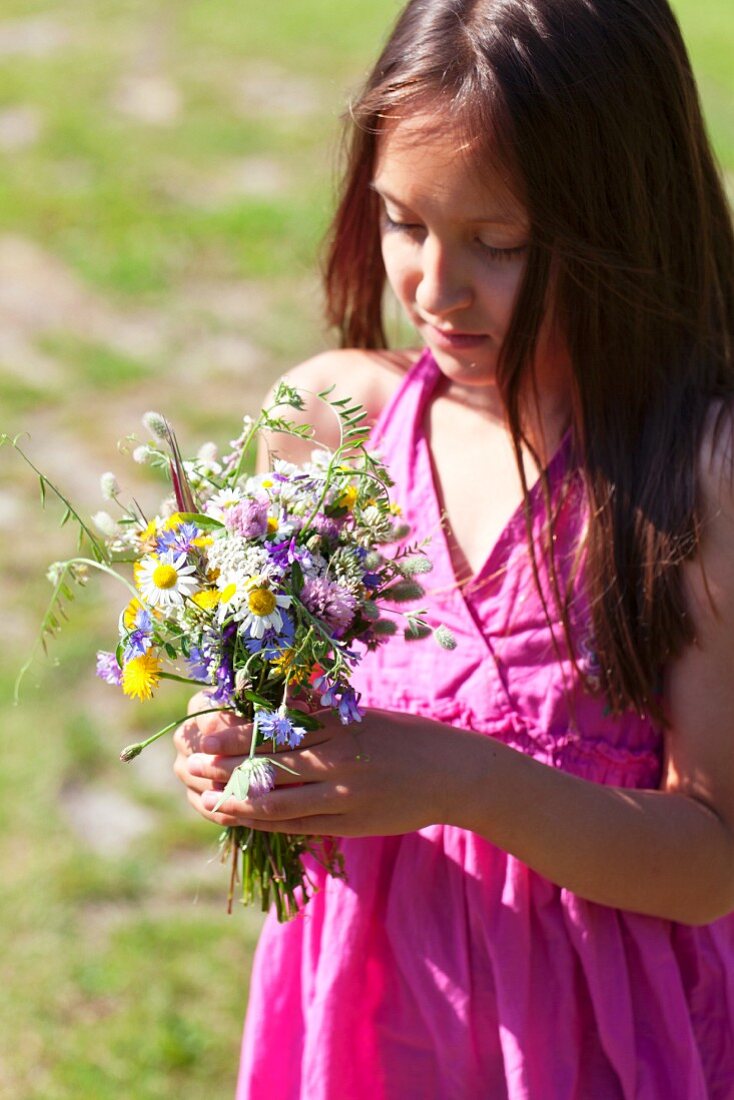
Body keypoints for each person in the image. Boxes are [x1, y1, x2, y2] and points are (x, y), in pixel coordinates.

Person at [173, 0, 734, 1095]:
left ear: (625, 217)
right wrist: (231, 739)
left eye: (500, 243)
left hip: (596, 1041)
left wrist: (465, 779)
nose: (434, 286)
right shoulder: (330, 423)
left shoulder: (693, 475)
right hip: (368, 1020)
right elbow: (261, 689)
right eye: (402, 222)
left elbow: (708, 861)